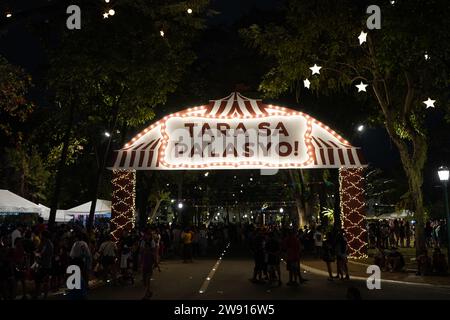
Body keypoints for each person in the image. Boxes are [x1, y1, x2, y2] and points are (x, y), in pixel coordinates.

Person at [33, 230, 53, 299]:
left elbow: (41, 254)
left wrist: (35, 253)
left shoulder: (46, 244)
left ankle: (39, 294)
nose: (40, 236)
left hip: (44, 265)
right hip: (46, 265)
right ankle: (43, 295)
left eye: (41, 235)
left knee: (40, 281)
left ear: (44, 236)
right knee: (44, 281)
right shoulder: (48, 243)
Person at [141, 233, 155, 300]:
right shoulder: (147, 253)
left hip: (147, 267)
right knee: (147, 280)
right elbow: (154, 260)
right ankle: (146, 293)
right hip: (147, 267)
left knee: (147, 280)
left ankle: (147, 292)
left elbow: (154, 260)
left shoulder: (145, 253)